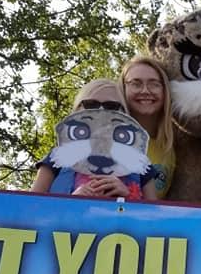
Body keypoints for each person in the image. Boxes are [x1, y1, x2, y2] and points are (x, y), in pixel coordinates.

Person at [31, 78, 161, 200]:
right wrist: (71, 201)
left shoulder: (140, 164)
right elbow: (30, 206)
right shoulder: (56, 158)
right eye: (91, 104)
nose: (101, 110)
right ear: (78, 109)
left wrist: (128, 197)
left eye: (111, 106)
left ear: (124, 114)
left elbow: (155, 217)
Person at [118, 55, 176, 199]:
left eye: (154, 84)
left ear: (165, 91)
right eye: (136, 83)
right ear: (123, 89)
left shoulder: (172, 145)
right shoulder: (108, 140)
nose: (145, 91)